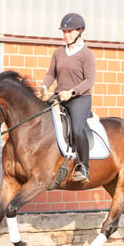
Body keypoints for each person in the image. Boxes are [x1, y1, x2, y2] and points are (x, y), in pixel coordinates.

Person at [41, 13, 96, 182]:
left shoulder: (86, 54)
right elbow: (51, 74)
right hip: (59, 95)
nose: (66, 35)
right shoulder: (58, 53)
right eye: (64, 32)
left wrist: (71, 92)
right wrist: (44, 86)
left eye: (70, 32)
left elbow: (89, 81)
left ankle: (83, 167)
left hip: (79, 99)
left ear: (80, 31)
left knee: (77, 128)